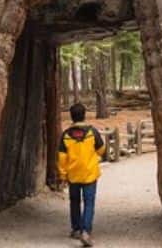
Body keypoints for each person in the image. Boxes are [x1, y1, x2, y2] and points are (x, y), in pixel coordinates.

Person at [57, 103, 105, 247]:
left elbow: (61, 157)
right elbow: (101, 149)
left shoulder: (66, 135)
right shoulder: (92, 132)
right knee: (89, 202)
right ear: (84, 115)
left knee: (75, 202)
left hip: (73, 175)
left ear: (71, 116)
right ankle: (86, 231)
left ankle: (76, 229)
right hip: (89, 174)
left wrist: (63, 175)